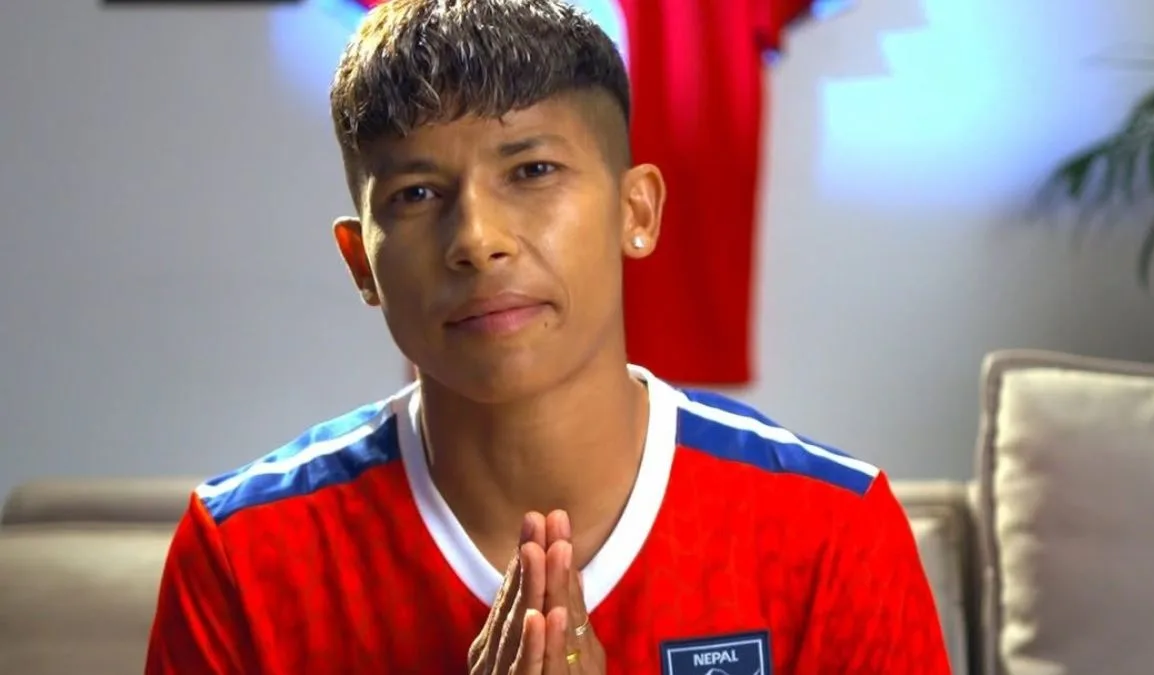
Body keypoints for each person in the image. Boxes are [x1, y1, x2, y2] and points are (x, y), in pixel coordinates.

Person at [145, 0, 951, 673]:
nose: (477, 239)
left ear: (637, 211)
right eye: (417, 193)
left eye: (531, 171)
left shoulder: (832, 531)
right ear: (361, 261)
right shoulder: (242, 551)